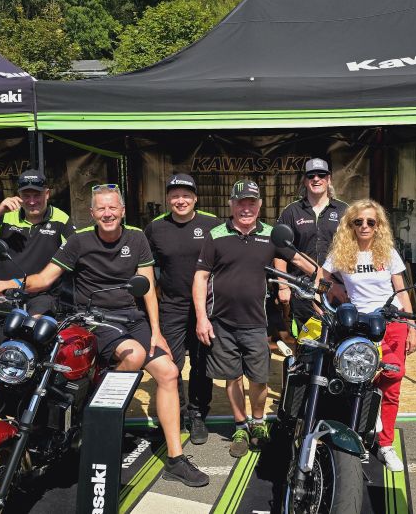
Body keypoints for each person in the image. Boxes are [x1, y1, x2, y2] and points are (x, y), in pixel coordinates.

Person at [0, 184, 209, 487]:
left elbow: (148, 289)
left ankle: (175, 459)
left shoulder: (137, 238)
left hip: (132, 318)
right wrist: (15, 281)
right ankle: (99, 417)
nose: (108, 213)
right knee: (134, 355)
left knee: (169, 372)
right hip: (95, 319)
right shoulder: (79, 241)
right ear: (92, 213)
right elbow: (44, 278)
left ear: (122, 211)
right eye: (101, 208)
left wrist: (157, 332)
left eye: (113, 207)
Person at [193, 179, 311, 457]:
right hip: (221, 322)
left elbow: (297, 259)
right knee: (232, 377)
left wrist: (327, 278)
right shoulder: (216, 235)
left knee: (259, 379)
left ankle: (258, 423)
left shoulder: (271, 234)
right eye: (240, 203)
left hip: (256, 323)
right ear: (231, 205)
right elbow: (200, 277)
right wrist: (201, 318)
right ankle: (240, 426)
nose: (246, 208)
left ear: (259, 205)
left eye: (251, 203)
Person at [321, 199, 416, 472]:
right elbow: (322, 277)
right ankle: (359, 438)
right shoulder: (342, 252)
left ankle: (385, 444)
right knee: (357, 382)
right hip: (361, 326)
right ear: (350, 225)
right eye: (359, 222)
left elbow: (401, 291)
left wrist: (412, 326)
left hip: (393, 322)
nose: (364, 226)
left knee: (393, 381)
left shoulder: (387, 252)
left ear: (378, 226)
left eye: (370, 222)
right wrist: (334, 293)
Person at [144, 174, 221, 445]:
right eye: (175, 195)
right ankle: (176, 412)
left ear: (195, 198)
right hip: (171, 306)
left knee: (201, 362)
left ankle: (198, 413)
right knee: (171, 363)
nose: (181, 200)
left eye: (186, 195)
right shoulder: (155, 228)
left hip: (204, 308)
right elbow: (146, 267)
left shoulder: (212, 224)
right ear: (168, 199)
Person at [0, 170, 74, 327]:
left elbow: (76, 251)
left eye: (37, 195)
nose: (32, 201)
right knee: (8, 340)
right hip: (6, 297)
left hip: (42, 297)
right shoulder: (7, 216)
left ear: (47, 194)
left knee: (33, 331)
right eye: (26, 196)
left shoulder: (60, 219)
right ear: (18, 196)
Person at [275, 157, 348, 337]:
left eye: (321, 175)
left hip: (338, 289)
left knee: (340, 340)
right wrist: (283, 286)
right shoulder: (291, 211)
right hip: (302, 289)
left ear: (329, 179)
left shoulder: (344, 210)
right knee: (305, 342)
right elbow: (280, 250)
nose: (316, 179)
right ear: (305, 180)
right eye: (311, 175)